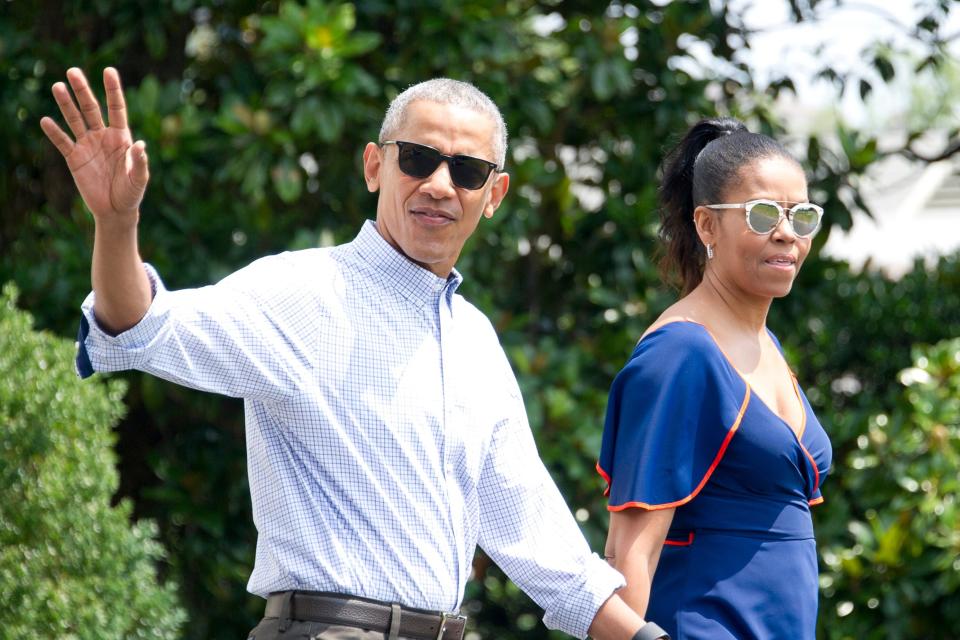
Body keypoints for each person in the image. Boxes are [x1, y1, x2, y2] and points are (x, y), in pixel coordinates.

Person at [41, 67, 667, 640]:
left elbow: (537, 541)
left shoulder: (476, 340)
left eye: (467, 171)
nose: (439, 185)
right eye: (418, 159)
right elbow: (142, 326)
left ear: (494, 193)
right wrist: (116, 224)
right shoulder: (304, 292)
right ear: (374, 166)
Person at [597, 117, 833, 639]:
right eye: (763, 214)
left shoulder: (764, 343)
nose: (786, 233)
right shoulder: (681, 352)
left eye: (802, 216)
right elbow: (629, 549)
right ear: (706, 226)